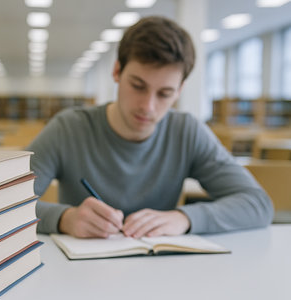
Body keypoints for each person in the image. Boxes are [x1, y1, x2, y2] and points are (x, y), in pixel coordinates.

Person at [26, 16, 273, 239]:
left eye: (165, 93)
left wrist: (185, 218)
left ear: (179, 90)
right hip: (77, 274)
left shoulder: (186, 131)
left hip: (162, 274)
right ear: (117, 72)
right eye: (138, 86)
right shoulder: (68, 128)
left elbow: (258, 204)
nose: (148, 106)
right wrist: (64, 219)